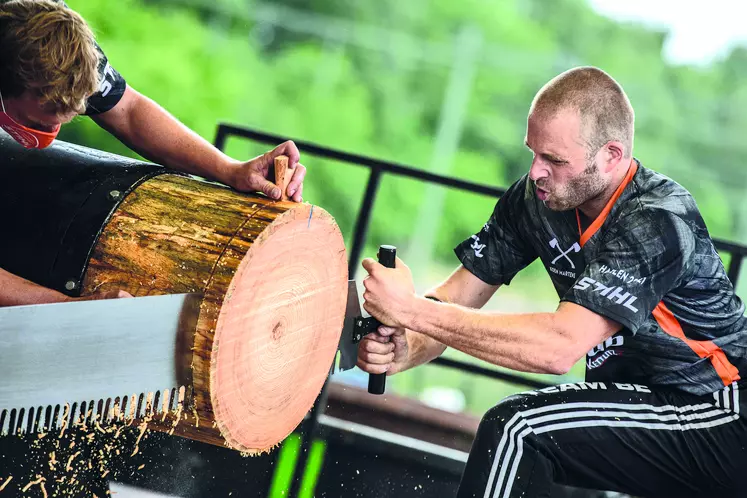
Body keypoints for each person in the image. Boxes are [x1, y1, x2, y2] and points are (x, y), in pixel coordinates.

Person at [357, 66, 747, 498]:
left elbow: (559, 347)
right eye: (533, 152)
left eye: (555, 160)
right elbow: (455, 300)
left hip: (718, 411)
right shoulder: (535, 198)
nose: (537, 172)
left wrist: (411, 310)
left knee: (517, 429)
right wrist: (404, 345)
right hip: (639, 403)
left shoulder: (656, 219)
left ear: (612, 156)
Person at [0, 0, 306, 306]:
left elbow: (129, 111)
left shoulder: (61, 45)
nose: (46, 133)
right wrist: (66, 307)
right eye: (35, 123)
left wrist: (231, 170)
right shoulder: (16, 53)